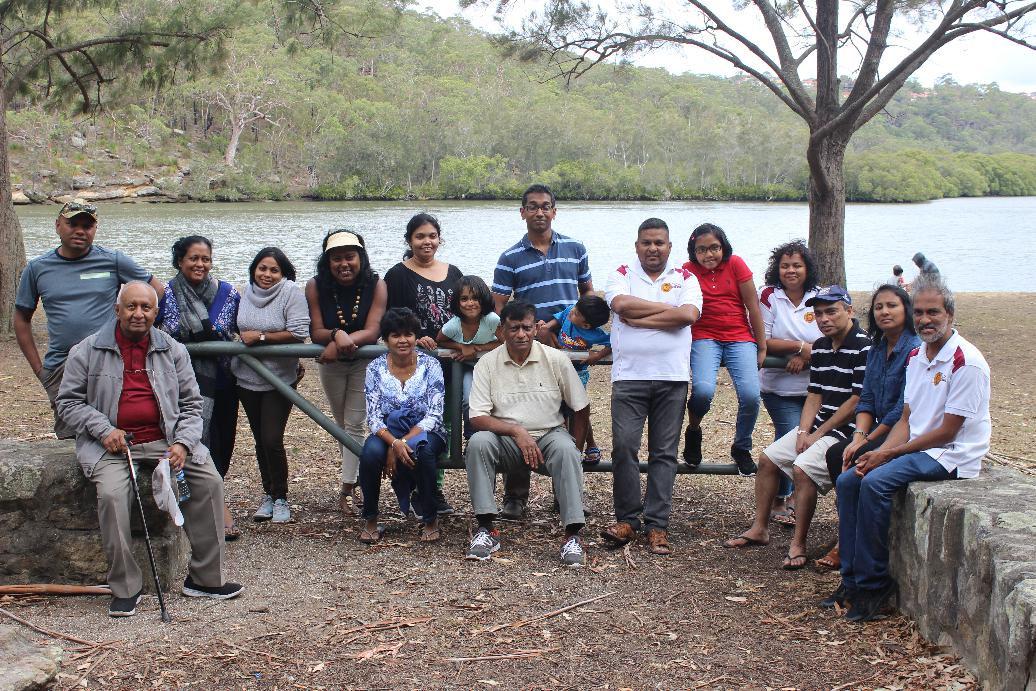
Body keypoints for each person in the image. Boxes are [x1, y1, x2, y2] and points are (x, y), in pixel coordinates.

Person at [55, 282, 242, 617]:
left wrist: (183, 442)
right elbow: (68, 403)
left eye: (146, 307)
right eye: (131, 307)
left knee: (209, 481)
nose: (138, 314)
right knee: (112, 496)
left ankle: (205, 579)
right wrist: (103, 429)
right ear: (117, 310)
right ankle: (126, 586)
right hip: (112, 444)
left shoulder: (174, 350)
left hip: (165, 439)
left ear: (156, 313)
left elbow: (192, 405)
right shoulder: (87, 350)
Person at [829, 276, 989, 622]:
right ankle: (851, 580)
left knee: (875, 483)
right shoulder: (917, 356)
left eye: (933, 312)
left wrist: (889, 455)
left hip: (951, 454)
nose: (925, 319)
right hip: (918, 447)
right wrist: (878, 452)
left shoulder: (966, 361)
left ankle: (873, 584)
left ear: (950, 314)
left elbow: (947, 432)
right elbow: (906, 417)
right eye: (919, 312)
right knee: (849, 480)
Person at [724, 285, 871, 571]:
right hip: (820, 423)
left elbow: (857, 400)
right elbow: (814, 394)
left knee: (803, 469)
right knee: (768, 459)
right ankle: (759, 527)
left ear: (849, 311)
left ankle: (799, 542)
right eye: (819, 314)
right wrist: (804, 431)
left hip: (848, 429)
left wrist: (817, 434)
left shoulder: (863, 346)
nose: (824, 319)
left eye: (832, 312)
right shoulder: (822, 346)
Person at [14, 199, 162, 440]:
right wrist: (40, 370)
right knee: (71, 436)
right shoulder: (37, 268)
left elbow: (156, 291)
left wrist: (135, 332)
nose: (80, 231)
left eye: (87, 226)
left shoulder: (113, 260)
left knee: (112, 430)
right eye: (73, 224)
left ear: (95, 229)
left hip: (108, 362)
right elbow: (22, 318)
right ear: (58, 225)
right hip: (61, 365)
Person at [491, 184, 593, 519]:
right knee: (521, 414)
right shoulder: (510, 257)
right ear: (522, 212)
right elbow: (499, 306)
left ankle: (567, 493)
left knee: (571, 413)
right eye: (532, 206)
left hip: (569, 350)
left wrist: (579, 330)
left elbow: (588, 296)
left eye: (545, 206)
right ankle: (515, 496)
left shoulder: (575, 249)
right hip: (527, 349)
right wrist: (524, 331)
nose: (539, 212)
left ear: (554, 211)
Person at [600, 218, 702, 555]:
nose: (653, 248)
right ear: (637, 245)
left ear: (669, 246)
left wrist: (641, 319)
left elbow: (688, 316)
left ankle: (657, 524)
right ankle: (628, 520)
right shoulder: (622, 273)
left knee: (664, 453)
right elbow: (620, 306)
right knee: (624, 447)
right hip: (629, 377)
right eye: (646, 242)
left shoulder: (686, 277)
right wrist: (668, 310)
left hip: (672, 377)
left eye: (659, 243)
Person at [463, 300, 590, 567]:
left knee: (567, 451)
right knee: (478, 442)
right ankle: (487, 529)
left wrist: (577, 449)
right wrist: (516, 431)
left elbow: (580, 407)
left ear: (535, 329)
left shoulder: (555, 359)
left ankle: (572, 535)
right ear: (501, 331)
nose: (521, 334)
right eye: (514, 328)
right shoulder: (487, 363)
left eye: (527, 328)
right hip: (506, 441)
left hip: (548, 436)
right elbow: (477, 417)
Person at [816, 284, 920, 569]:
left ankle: (851, 544)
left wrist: (868, 439)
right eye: (878, 307)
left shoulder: (915, 349)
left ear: (906, 309)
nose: (884, 312)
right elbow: (867, 398)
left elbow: (902, 408)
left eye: (892, 306)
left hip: (904, 429)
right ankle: (847, 533)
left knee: (856, 458)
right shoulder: (876, 348)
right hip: (876, 425)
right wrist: (859, 435)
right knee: (838, 453)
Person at [156, 235, 241, 540]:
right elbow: (156, 335)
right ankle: (202, 505)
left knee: (222, 442)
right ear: (180, 261)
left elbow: (240, 331)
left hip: (222, 383)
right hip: (178, 385)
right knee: (186, 440)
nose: (200, 264)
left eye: (206, 259)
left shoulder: (228, 293)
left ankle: (214, 495)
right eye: (194, 258)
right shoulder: (165, 294)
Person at [383, 213, 462, 515]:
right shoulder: (397, 275)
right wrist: (416, 339)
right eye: (419, 236)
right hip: (414, 366)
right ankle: (415, 488)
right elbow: (393, 321)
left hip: (450, 363)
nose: (426, 242)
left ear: (439, 238)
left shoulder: (454, 272)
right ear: (409, 240)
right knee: (412, 423)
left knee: (445, 424)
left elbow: (465, 313)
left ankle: (433, 487)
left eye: (432, 236)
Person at [306, 230, 387, 517]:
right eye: (337, 258)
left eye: (350, 257)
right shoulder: (315, 286)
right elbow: (315, 330)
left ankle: (348, 487)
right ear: (327, 262)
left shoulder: (376, 284)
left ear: (360, 258)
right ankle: (359, 479)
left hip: (364, 360)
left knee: (354, 424)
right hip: (331, 364)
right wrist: (335, 335)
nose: (344, 264)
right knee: (341, 425)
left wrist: (343, 341)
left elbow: (374, 330)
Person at [232, 248, 310, 525]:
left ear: (284, 273)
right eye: (262, 268)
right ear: (254, 269)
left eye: (274, 270)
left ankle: (281, 497)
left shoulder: (291, 292)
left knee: (271, 438)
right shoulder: (245, 293)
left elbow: (299, 332)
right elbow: (237, 328)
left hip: (280, 377)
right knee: (259, 439)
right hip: (246, 377)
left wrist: (262, 337)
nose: (267, 275)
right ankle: (268, 493)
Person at [681, 223, 767, 476]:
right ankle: (694, 430)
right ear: (693, 251)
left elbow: (753, 307)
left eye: (714, 248)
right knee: (703, 391)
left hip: (739, 336)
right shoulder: (687, 270)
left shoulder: (736, 264)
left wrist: (761, 345)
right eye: (701, 249)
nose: (709, 254)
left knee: (751, 396)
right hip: (703, 336)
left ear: (723, 247)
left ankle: (742, 447)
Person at [358, 308, 447, 544]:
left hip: (427, 429)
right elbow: (373, 417)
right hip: (387, 430)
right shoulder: (375, 368)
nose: (403, 340)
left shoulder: (431, 365)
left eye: (408, 334)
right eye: (395, 335)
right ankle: (370, 519)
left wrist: (401, 443)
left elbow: (434, 414)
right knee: (370, 453)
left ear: (416, 337)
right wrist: (393, 442)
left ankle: (430, 519)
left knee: (424, 451)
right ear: (385, 339)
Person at [758, 241, 822, 526]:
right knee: (790, 436)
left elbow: (832, 336)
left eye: (797, 265)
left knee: (805, 441)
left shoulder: (819, 297)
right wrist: (800, 347)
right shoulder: (768, 296)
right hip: (778, 388)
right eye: (785, 266)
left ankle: (794, 496)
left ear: (807, 268)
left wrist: (807, 357)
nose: (791, 271)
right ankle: (779, 498)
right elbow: (764, 339)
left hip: (815, 389)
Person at [539, 293, 612, 464]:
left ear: (586, 325)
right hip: (558, 370)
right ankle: (565, 447)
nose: (572, 311)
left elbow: (612, 342)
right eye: (575, 308)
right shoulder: (571, 311)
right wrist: (546, 328)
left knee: (578, 407)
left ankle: (578, 450)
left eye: (577, 313)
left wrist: (597, 355)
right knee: (561, 406)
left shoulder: (594, 334)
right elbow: (557, 320)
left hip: (578, 373)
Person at [435, 275, 501, 436]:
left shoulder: (491, 320)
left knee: (497, 400)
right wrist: (461, 346)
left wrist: (477, 349)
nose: (470, 303)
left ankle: (495, 435)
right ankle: (471, 436)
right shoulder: (454, 325)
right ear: (457, 302)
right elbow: (440, 340)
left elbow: (505, 342)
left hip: (493, 366)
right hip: (469, 368)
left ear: (483, 299)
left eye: (475, 298)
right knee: (468, 400)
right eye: (464, 299)